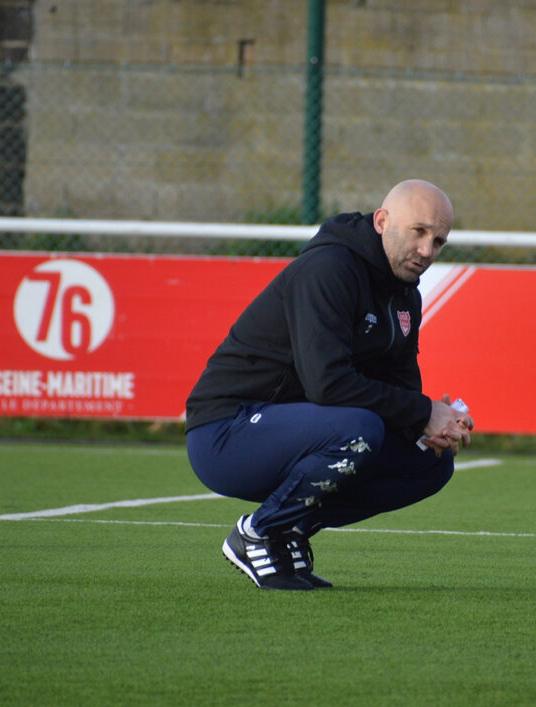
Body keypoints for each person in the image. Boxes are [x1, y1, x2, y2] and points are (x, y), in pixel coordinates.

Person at [185, 179, 474, 591]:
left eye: (439, 241)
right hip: (226, 433)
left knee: (429, 462)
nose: (427, 251)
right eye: (419, 232)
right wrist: (422, 412)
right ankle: (257, 533)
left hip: (302, 431)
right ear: (382, 221)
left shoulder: (405, 293)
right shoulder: (330, 268)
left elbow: (401, 391)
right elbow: (328, 385)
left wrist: (434, 426)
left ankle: (291, 530)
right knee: (359, 430)